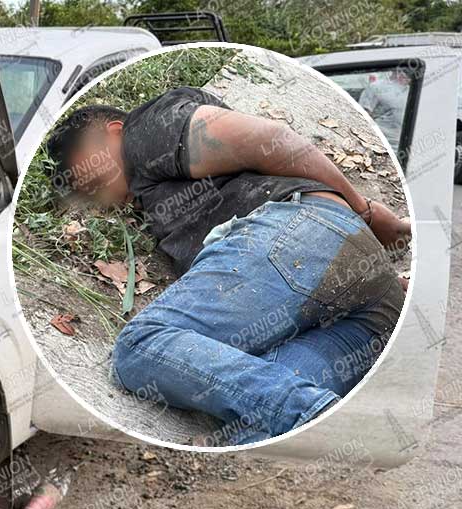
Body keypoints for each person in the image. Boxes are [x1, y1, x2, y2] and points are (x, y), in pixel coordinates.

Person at [45, 87, 409, 445]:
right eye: (87, 194)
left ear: (113, 131)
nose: (98, 196)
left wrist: (366, 212)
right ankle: (326, 425)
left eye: (92, 175)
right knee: (255, 426)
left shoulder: (145, 130)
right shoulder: (161, 193)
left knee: (139, 345)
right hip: (369, 300)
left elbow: (271, 138)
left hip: (303, 230)